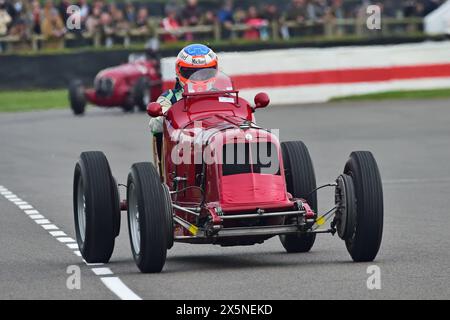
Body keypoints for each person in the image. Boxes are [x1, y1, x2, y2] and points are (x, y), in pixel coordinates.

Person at [149, 44, 218, 156]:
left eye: (205, 73)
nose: (198, 78)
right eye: (191, 73)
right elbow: (155, 126)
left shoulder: (221, 96)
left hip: (215, 145)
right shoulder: (169, 97)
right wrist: (166, 116)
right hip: (182, 149)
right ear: (179, 71)